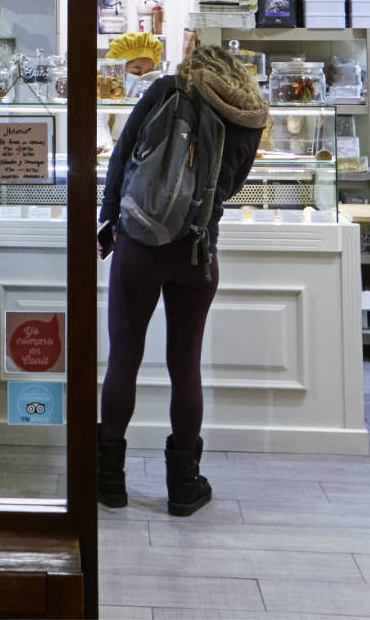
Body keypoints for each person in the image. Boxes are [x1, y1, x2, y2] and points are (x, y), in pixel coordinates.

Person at [95, 43, 267, 516]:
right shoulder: (250, 115)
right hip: (197, 252)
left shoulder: (169, 89)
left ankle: (109, 479)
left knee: (124, 358)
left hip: (140, 245)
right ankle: (183, 486)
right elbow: (231, 185)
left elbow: (123, 156)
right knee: (185, 365)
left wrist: (110, 220)